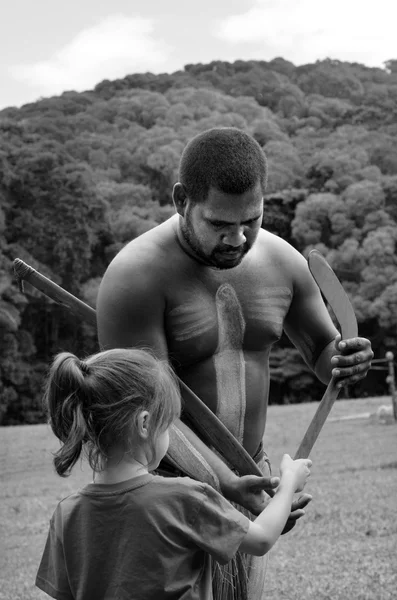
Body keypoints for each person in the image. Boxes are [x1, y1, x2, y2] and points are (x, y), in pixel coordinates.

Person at [96, 127, 373, 598]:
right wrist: (223, 484)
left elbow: (324, 353)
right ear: (182, 200)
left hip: (249, 478)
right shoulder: (135, 276)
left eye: (253, 220)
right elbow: (146, 417)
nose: (238, 238)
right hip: (163, 495)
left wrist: (344, 360)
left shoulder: (281, 261)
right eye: (219, 224)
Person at [36, 348, 312, 600]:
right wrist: (288, 482)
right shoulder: (186, 497)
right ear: (145, 424)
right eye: (168, 424)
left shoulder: (66, 513)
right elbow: (262, 538)